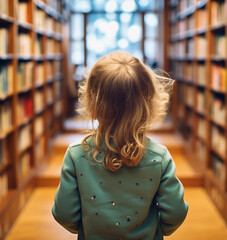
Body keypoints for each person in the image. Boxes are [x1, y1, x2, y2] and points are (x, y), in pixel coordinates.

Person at [52, 51, 189, 240]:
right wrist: (155, 230)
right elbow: (175, 213)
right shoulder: (159, 157)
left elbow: (64, 213)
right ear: (148, 103)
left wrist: (87, 227)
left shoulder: (77, 155)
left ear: (92, 102)